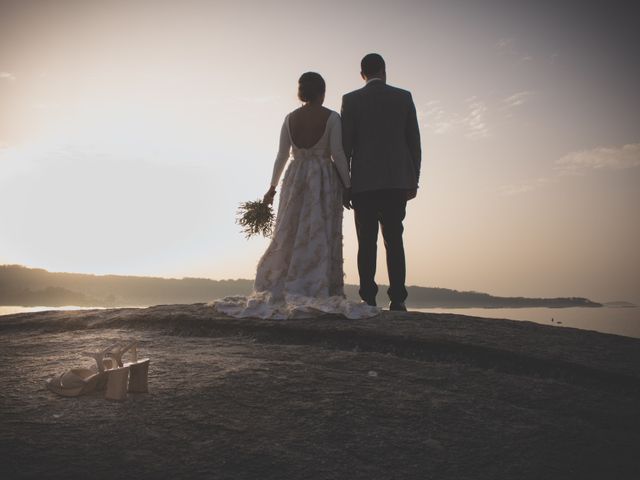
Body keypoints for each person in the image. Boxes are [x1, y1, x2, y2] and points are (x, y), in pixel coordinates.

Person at [212, 72, 379, 320]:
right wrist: (347, 184)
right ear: (322, 92)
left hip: (295, 178)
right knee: (318, 230)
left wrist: (272, 187)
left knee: (289, 230)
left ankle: (285, 281)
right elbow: (338, 154)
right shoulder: (332, 117)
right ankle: (316, 284)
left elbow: (281, 156)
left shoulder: (290, 119)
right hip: (321, 180)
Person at [341, 53, 422, 311]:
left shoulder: (351, 100)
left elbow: (345, 147)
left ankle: (367, 298)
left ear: (362, 74)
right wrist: (413, 180)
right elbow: (414, 143)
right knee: (394, 240)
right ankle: (398, 299)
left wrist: (345, 185)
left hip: (363, 184)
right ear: (384, 70)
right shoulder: (404, 97)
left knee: (366, 242)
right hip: (396, 182)